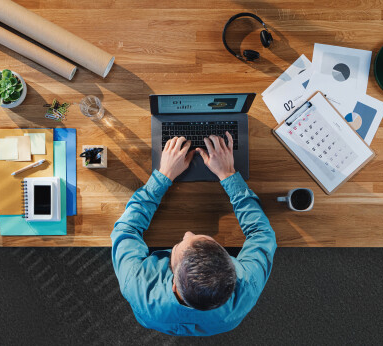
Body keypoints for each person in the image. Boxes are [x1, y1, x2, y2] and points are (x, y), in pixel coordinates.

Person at [111, 132, 277, 336]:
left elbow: (126, 229)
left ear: (174, 285)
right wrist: (228, 175)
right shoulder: (247, 286)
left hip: (153, 317)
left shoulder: (136, 284)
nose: (188, 232)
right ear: (233, 267)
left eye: (181, 244)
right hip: (219, 323)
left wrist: (163, 176)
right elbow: (262, 233)